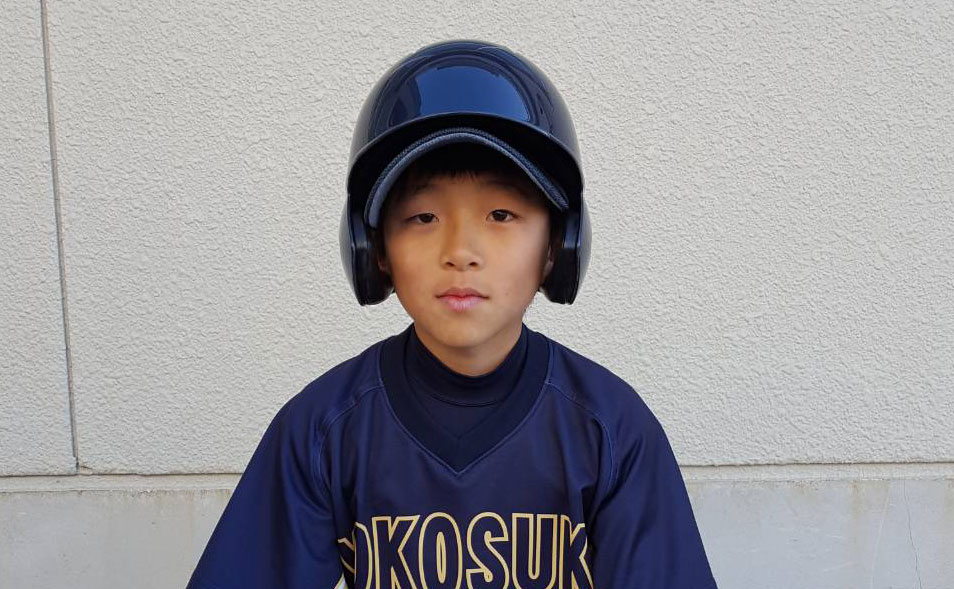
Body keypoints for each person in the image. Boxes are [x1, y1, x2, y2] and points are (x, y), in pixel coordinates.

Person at [186, 40, 718, 589]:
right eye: (423, 217)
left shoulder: (611, 429)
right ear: (375, 250)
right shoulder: (324, 430)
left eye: (501, 214)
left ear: (557, 247)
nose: (461, 251)